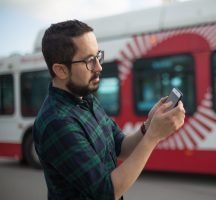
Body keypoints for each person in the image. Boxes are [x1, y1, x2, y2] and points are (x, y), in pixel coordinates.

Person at [33, 19, 185, 200]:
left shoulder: (86, 98)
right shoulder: (57, 122)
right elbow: (105, 192)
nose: (99, 67)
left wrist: (148, 125)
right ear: (60, 70)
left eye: (98, 56)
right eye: (90, 60)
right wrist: (154, 136)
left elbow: (121, 146)